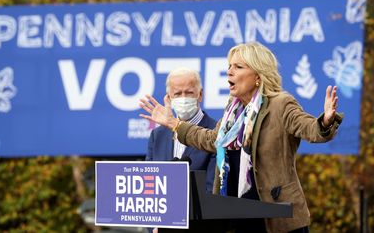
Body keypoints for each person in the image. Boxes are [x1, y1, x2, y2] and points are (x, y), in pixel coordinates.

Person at [140, 42, 343, 233]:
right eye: (229, 66)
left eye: (238, 67)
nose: (229, 72)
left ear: (258, 74)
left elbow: (310, 129)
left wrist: (325, 121)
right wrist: (174, 124)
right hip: (241, 215)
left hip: (276, 216)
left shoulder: (280, 104)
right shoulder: (233, 111)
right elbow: (211, 140)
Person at [146, 67, 217, 193]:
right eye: (177, 94)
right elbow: (149, 184)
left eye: (189, 92)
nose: (183, 98)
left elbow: (212, 189)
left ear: (200, 95)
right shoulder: (158, 135)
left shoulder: (215, 132)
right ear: (169, 98)